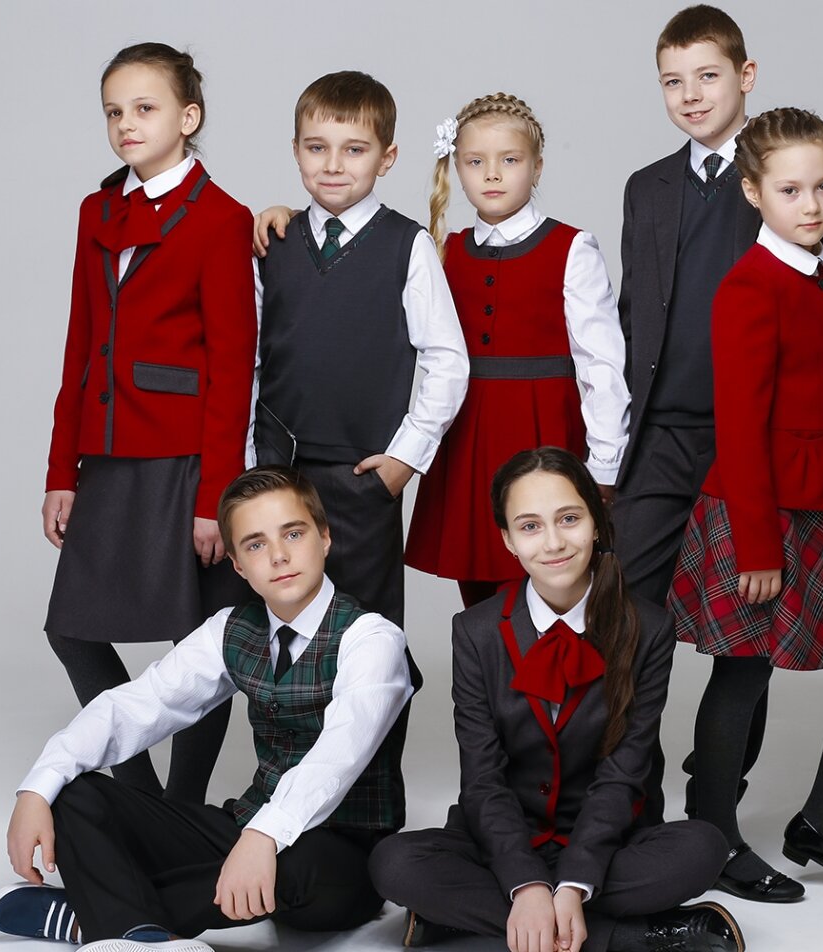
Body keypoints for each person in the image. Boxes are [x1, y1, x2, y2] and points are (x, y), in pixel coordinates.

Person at [609, 4, 823, 824]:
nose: (692, 95)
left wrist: (804, 414)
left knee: (748, 637)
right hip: (662, 437)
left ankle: (716, 810)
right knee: (627, 621)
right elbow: (634, 314)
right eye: (674, 81)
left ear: (745, 76)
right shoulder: (647, 188)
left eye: (708, 76)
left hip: (756, 444)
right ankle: (627, 799)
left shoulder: (793, 177)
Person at [0, 466, 417, 952]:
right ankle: (136, 930)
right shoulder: (230, 628)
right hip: (246, 827)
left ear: (324, 537)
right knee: (73, 790)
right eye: (255, 544)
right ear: (238, 565)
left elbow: (337, 757)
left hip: (340, 854)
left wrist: (265, 836)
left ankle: (96, 917)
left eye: (293, 534)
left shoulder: (371, 639)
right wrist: (36, 787)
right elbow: (138, 704)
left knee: (298, 866)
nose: (278, 555)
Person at [668, 107, 823, 903]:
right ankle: (713, 839)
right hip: (760, 507)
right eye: (790, 190)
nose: (811, 205)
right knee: (742, 672)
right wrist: (756, 547)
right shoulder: (748, 286)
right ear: (753, 192)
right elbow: (739, 427)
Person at [369, 447, 743, 952]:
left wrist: (575, 881)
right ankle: (629, 935)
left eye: (569, 519)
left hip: (609, 840)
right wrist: (526, 883)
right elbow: (481, 778)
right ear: (508, 539)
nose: (553, 542)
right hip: (503, 840)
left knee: (704, 847)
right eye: (530, 526)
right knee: (393, 863)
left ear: (597, 522)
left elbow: (625, 771)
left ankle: (474, 919)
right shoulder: (476, 631)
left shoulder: (648, 628)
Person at [42, 42, 257, 802]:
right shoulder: (96, 211)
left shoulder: (223, 218)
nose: (126, 125)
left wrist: (216, 496)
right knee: (71, 629)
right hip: (106, 456)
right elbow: (80, 345)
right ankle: (138, 794)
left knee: (201, 642)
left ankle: (182, 804)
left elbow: (233, 367)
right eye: (114, 112)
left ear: (187, 117)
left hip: (186, 461)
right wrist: (61, 471)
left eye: (144, 108)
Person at [249, 70, 468, 628]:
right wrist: (250, 458)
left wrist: (405, 458)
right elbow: (249, 355)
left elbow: (447, 359)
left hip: (362, 472)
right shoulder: (272, 244)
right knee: (280, 619)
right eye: (316, 148)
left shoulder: (407, 246)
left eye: (354, 150)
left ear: (386, 158)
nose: (332, 165)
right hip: (276, 467)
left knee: (366, 628)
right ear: (295, 150)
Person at [398, 93, 629, 609]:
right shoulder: (442, 250)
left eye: (510, 160)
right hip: (468, 440)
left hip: (546, 432)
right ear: (456, 168)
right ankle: (489, 666)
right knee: (480, 589)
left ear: (537, 166)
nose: (492, 174)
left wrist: (604, 463)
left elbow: (602, 365)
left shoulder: (572, 247)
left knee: (553, 580)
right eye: (475, 161)